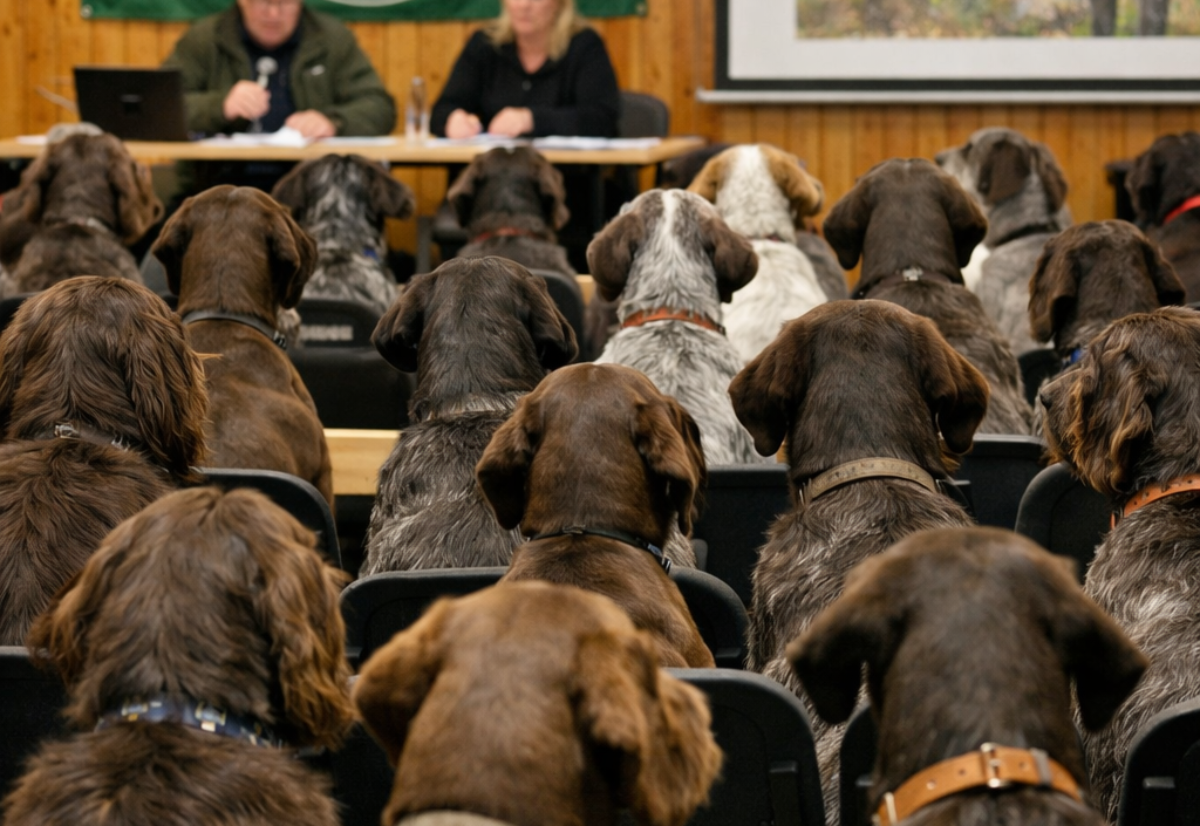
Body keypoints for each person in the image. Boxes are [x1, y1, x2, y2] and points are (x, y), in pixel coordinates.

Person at [162, 0, 396, 194]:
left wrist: (333, 122)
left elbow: (378, 106)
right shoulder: (205, 39)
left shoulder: (333, 39)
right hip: (217, 186)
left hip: (312, 188)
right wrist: (219, 106)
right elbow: (161, 107)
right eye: (262, 3)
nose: (273, 13)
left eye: (284, 3)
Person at [430, 0, 619, 139]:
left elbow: (601, 119)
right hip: (492, 178)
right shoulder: (484, 45)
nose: (524, 5)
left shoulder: (584, 46)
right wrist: (452, 120)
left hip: (565, 182)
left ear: (561, 3)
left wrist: (531, 120)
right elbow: (442, 110)